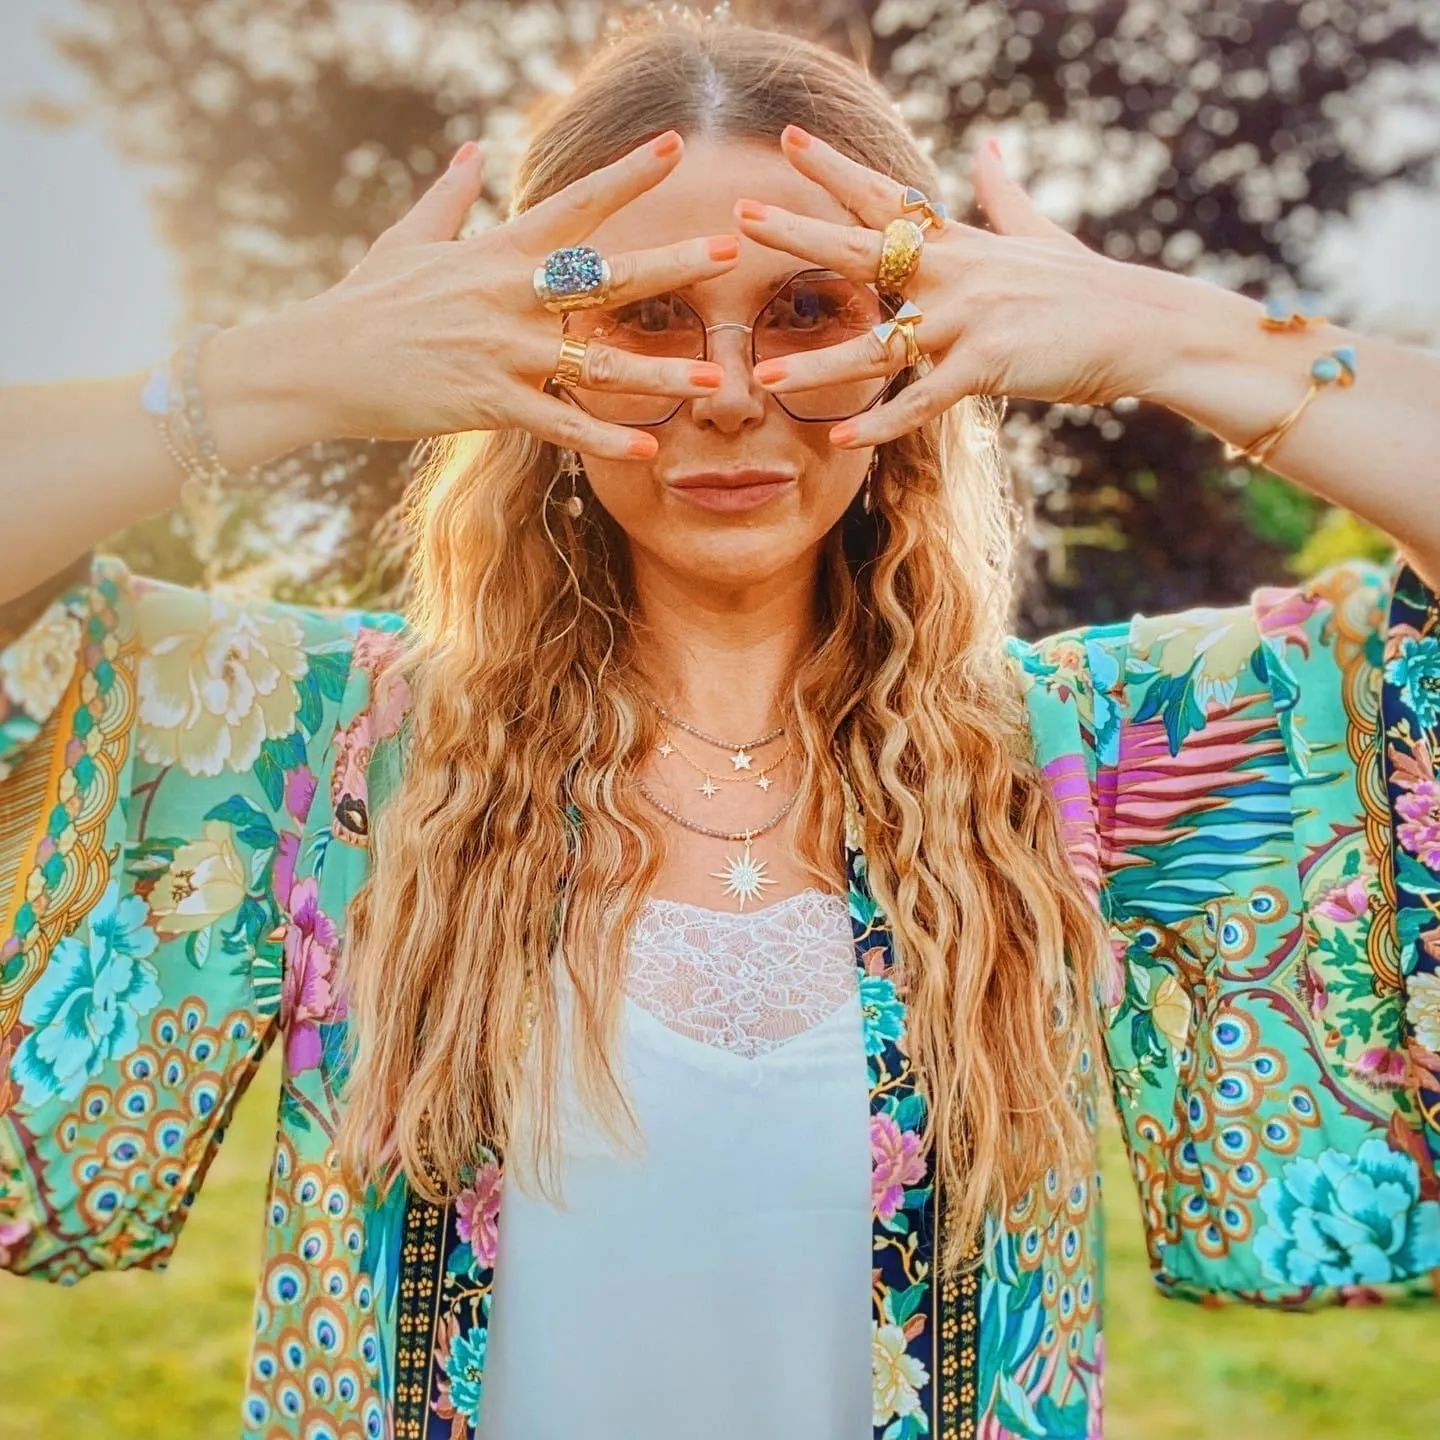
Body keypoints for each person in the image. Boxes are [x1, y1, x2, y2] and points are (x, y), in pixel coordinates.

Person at [1, 12, 1438, 1439]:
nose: (737, 395)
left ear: (907, 347)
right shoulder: (333, 752)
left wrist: (1162, 333)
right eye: (650, 316)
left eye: (811, 310)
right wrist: (287, 373)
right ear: (536, 351)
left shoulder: (1077, 762)